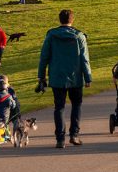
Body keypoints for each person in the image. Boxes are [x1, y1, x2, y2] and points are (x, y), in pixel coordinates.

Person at [37, 9, 92, 149]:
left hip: (57, 76)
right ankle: (74, 134)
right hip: (75, 77)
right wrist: (88, 77)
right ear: (72, 20)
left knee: (59, 107)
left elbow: (44, 57)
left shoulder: (51, 35)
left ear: (60, 19)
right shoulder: (79, 36)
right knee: (76, 105)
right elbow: (84, 59)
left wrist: (41, 76)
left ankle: (60, 139)